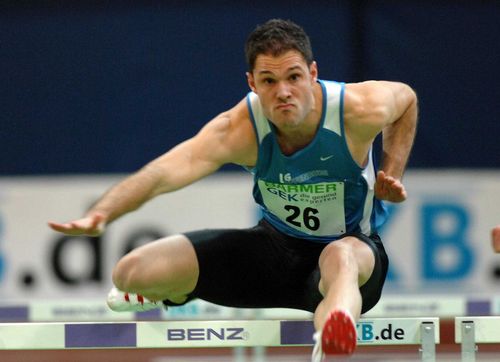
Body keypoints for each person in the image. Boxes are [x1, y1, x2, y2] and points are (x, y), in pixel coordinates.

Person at [48, 19, 418, 361]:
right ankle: (177, 290)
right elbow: (164, 172)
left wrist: (391, 170)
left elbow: (406, 100)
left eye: (293, 77)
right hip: (275, 251)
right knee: (131, 273)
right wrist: (104, 212)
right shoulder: (239, 129)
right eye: (269, 81)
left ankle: (336, 328)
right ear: (252, 84)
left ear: (313, 73)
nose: (284, 92)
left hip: (353, 255)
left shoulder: (356, 110)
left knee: (341, 258)